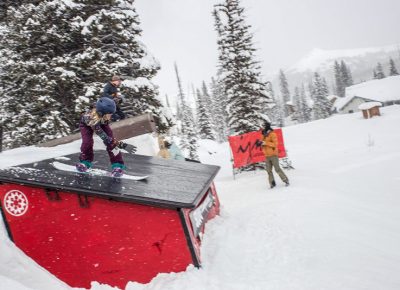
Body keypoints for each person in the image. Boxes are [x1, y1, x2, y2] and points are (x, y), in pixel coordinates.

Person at [76, 97, 128, 177]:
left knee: (112, 145)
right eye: (109, 115)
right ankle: (85, 162)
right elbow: (104, 137)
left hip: (102, 122)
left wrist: (118, 100)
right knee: (87, 143)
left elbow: (111, 102)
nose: (110, 117)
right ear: (102, 113)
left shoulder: (104, 109)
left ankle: (117, 165)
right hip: (87, 125)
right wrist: (120, 144)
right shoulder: (90, 118)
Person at [260, 122, 289, 188]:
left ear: (267, 126)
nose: (262, 127)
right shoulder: (262, 134)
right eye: (262, 126)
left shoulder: (272, 134)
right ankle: (272, 183)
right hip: (267, 156)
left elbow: (275, 144)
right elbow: (263, 143)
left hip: (273, 155)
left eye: (263, 126)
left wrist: (265, 142)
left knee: (277, 169)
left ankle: (285, 180)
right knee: (268, 170)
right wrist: (260, 143)